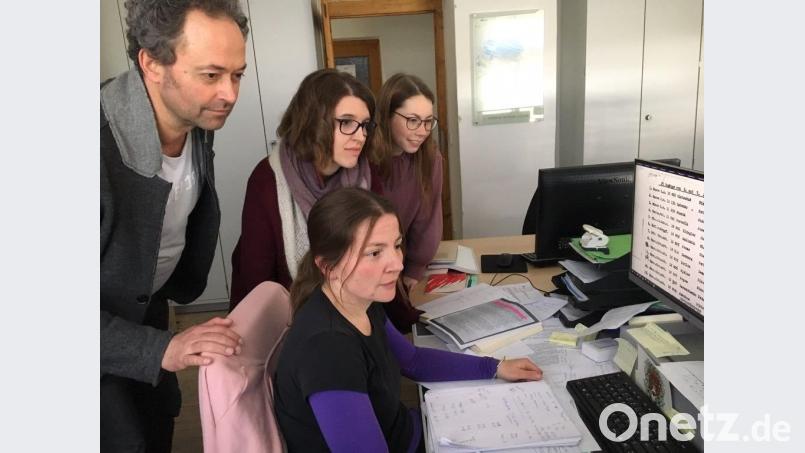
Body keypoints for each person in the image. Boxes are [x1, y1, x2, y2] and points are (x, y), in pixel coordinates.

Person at [273, 188, 543, 453]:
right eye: (375, 253)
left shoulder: (360, 300)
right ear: (328, 266)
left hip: (415, 432)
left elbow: (412, 360)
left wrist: (494, 367)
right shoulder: (328, 350)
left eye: (396, 245)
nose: (397, 264)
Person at [100, 1, 248, 451]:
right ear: (152, 64)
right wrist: (161, 349)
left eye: (237, 75)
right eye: (211, 74)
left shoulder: (197, 121)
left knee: (158, 420)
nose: (229, 94)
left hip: (148, 308)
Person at [229, 69, 380, 309]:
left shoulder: (368, 174)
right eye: (346, 122)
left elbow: (382, 254)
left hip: (357, 307)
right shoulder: (267, 179)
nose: (360, 136)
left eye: (364, 125)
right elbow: (257, 281)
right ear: (313, 122)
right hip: (289, 314)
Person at [371, 73, 444, 293]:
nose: (422, 131)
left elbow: (428, 219)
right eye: (413, 120)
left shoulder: (430, 158)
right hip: (365, 269)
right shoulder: (364, 159)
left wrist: (415, 268)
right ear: (387, 116)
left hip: (403, 267)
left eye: (428, 122)